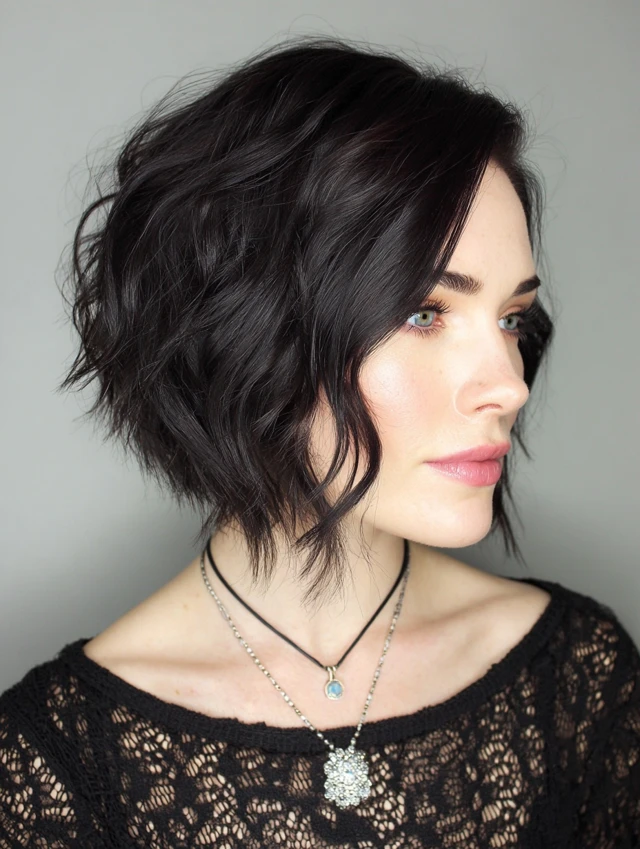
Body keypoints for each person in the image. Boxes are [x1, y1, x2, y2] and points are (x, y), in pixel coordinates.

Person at [1, 35, 638, 848]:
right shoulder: (60, 763)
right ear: (254, 332)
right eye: (425, 313)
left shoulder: (577, 678)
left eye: (512, 318)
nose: (509, 384)